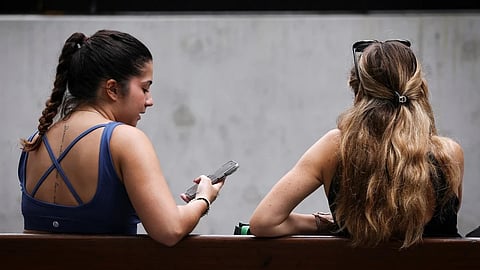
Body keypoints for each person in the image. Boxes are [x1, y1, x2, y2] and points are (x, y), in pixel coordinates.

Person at [249, 39, 464, 249]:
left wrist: (326, 224)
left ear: (359, 94)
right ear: (419, 90)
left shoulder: (335, 148)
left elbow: (264, 222)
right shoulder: (449, 154)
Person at [18, 29, 224, 247]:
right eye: (145, 88)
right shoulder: (124, 140)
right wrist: (204, 198)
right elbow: (170, 229)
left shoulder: (35, 142)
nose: (150, 100)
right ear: (113, 89)